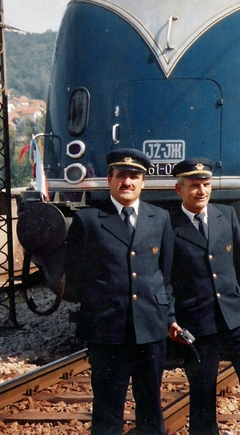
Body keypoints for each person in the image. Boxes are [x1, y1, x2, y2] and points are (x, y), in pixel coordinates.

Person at [166, 157, 240, 435]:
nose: (202, 191)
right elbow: (164, 278)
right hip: (196, 321)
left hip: (236, 316)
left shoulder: (226, 215)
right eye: (194, 185)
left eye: (206, 185)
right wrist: (169, 318)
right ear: (179, 189)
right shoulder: (168, 225)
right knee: (202, 391)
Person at [64, 148, 175, 435]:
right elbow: (74, 278)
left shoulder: (160, 218)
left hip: (150, 328)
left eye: (134, 177)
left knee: (150, 408)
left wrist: (168, 316)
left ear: (143, 182)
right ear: (109, 180)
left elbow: (165, 274)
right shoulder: (89, 220)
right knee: (107, 410)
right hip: (108, 330)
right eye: (121, 175)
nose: (127, 182)